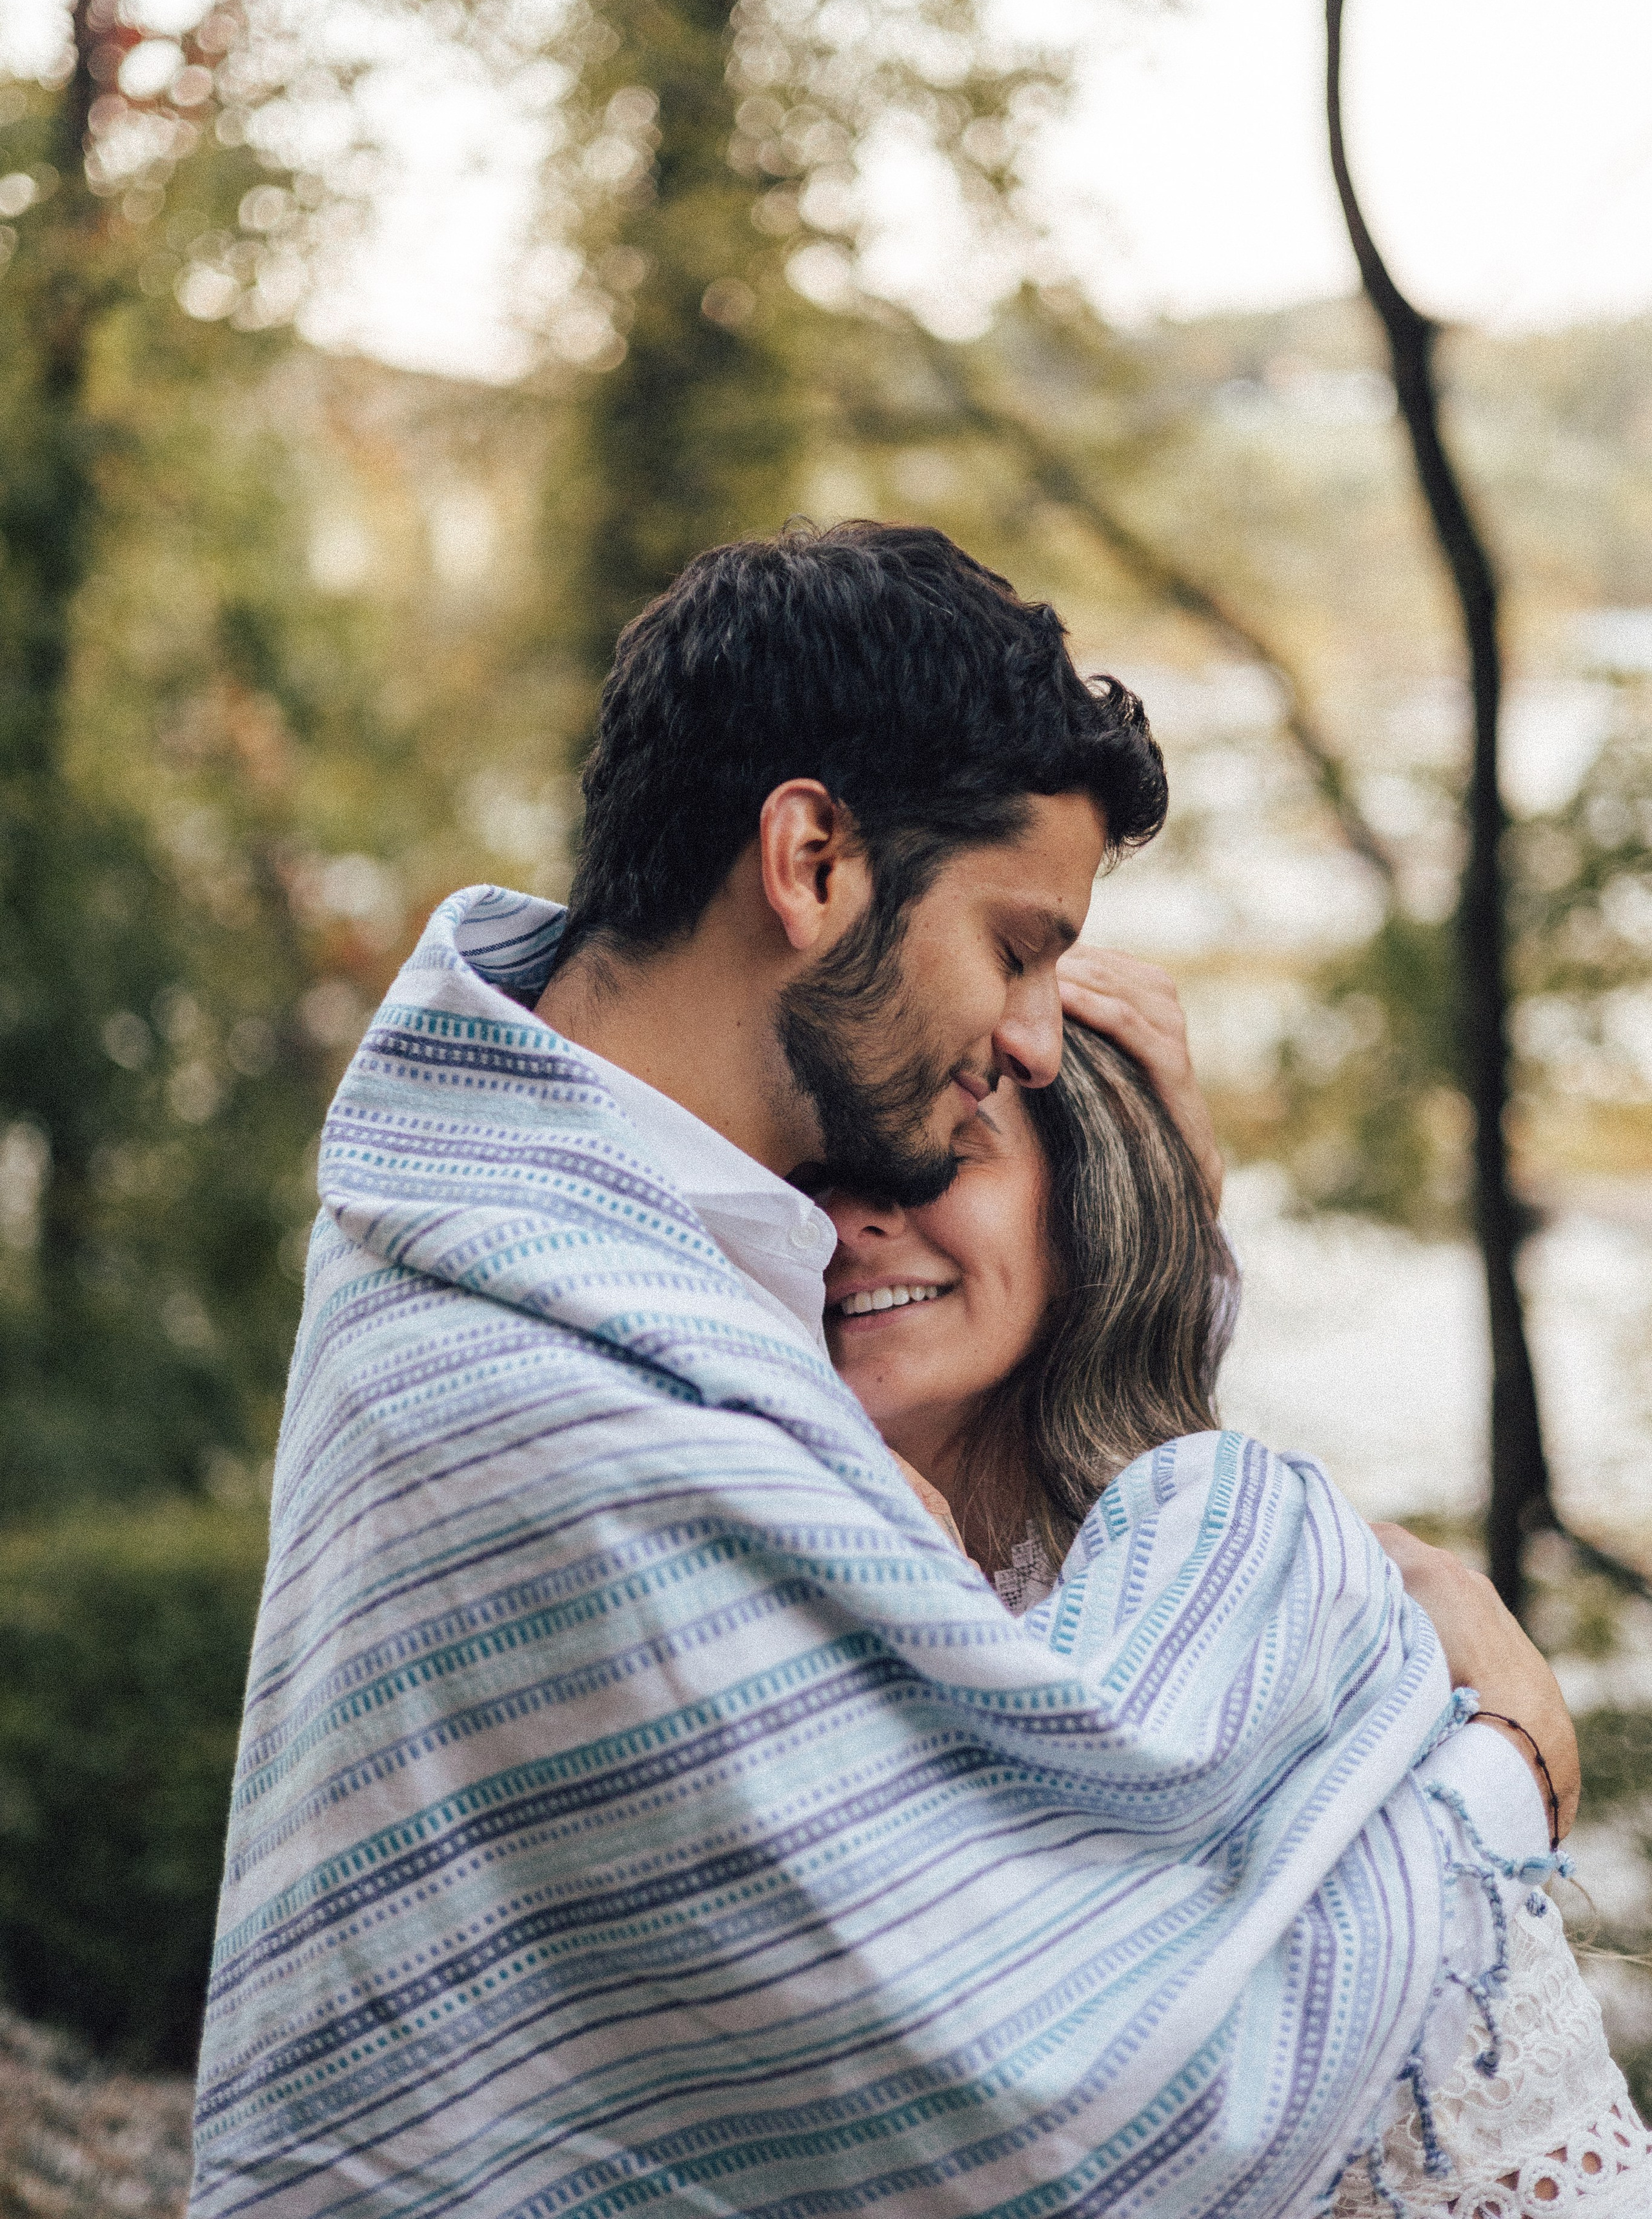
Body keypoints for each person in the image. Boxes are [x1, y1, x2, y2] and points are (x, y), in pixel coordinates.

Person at [191, 522, 1563, 2219]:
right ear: (816, 859)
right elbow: (1040, 2119)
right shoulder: (562, 1379)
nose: (1041, 1036)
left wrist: (1154, 1241)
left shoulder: (546, 1245)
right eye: (1019, 943)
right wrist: (1494, 1766)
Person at [823, 1012, 1651, 2211]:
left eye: (940, 1152)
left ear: (1091, 1202)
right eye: (809, 1172)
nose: (854, 1217)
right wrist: (1510, 1765)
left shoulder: (1283, 1603)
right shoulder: (719, 1599)